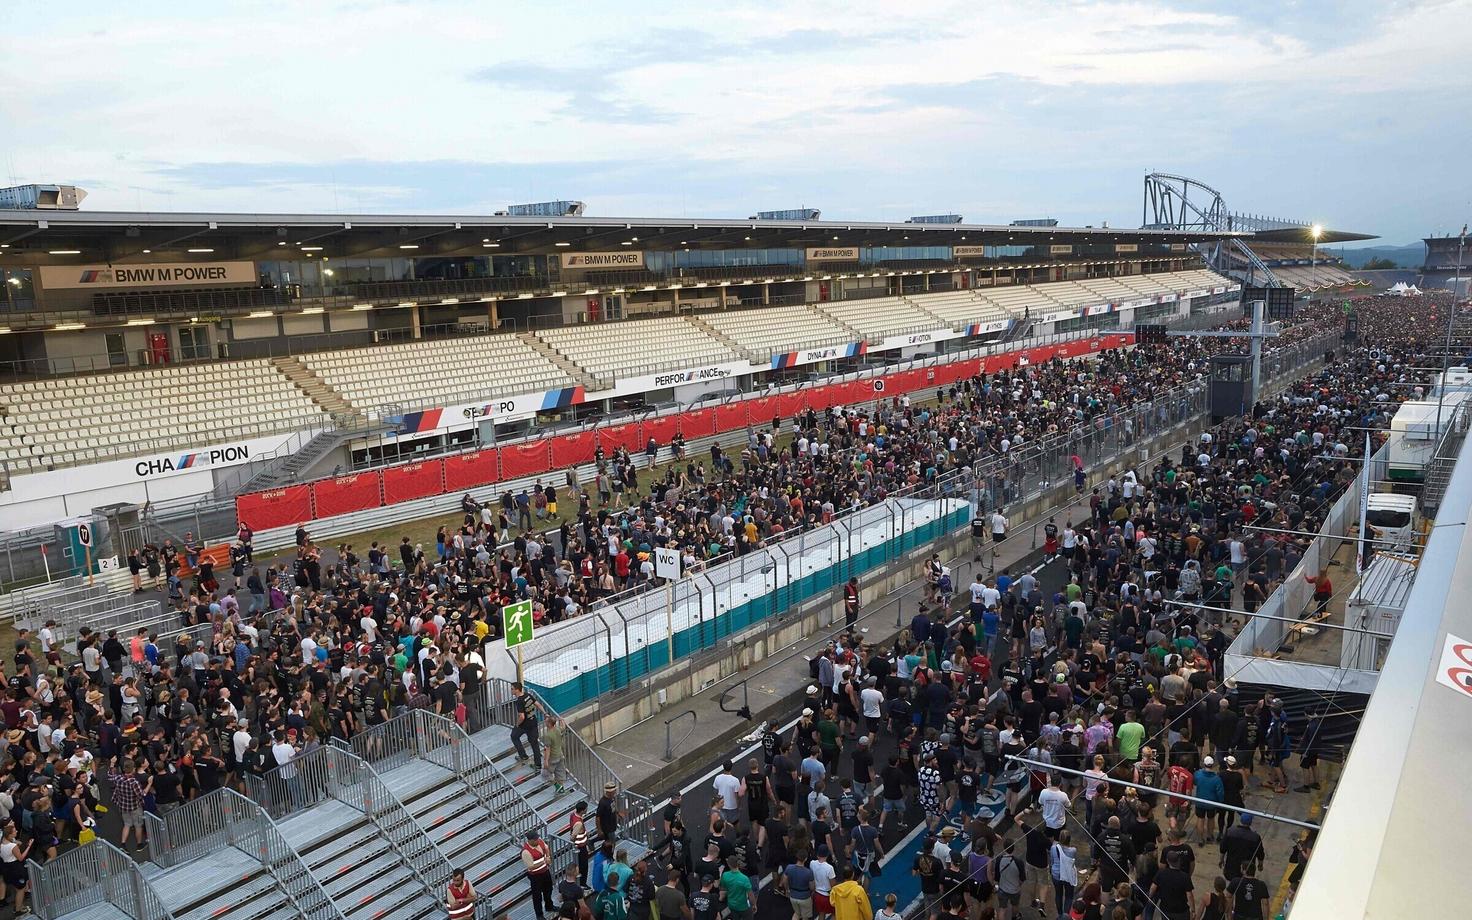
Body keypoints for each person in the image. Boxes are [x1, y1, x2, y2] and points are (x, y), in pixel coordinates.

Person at [522, 828, 557, 920]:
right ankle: (539, 915)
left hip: (545, 871)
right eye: (535, 839)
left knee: (548, 889)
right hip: (535, 876)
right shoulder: (526, 852)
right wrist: (544, 861)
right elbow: (531, 866)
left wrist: (548, 857)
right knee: (537, 895)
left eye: (537, 838)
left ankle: (549, 906)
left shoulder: (540, 842)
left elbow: (546, 847)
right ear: (530, 840)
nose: (537, 840)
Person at [510, 682, 543, 771]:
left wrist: (517, 724)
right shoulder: (528, 695)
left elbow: (522, 716)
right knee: (534, 744)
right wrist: (545, 713)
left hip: (524, 725)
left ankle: (523, 756)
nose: (511, 690)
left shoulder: (519, 701)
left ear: (517, 690)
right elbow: (538, 704)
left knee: (514, 736)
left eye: (512, 689)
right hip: (533, 723)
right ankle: (538, 765)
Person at [1049, 830, 1079, 918]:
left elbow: (1052, 861)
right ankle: (1065, 916)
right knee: (1069, 896)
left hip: (1056, 875)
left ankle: (1059, 914)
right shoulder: (1073, 850)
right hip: (1067, 876)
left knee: (1058, 894)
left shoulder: (1053, 848)